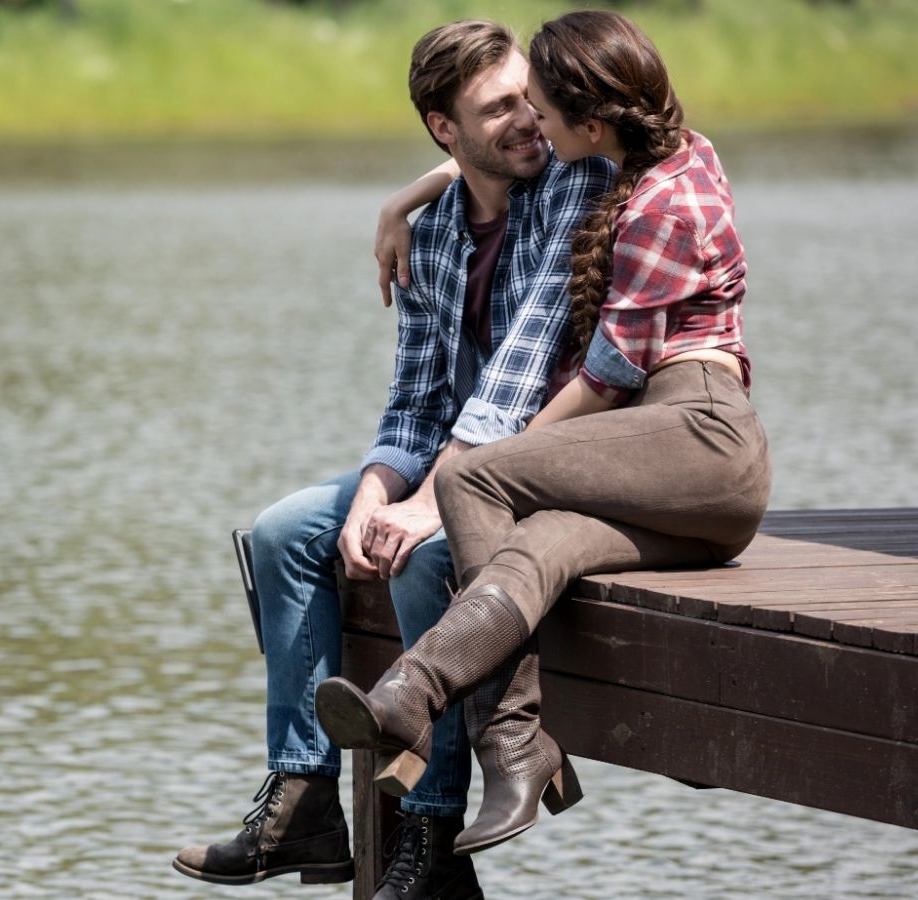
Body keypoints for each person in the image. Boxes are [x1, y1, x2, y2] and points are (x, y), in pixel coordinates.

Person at [171, 20, 614, 899]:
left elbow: (520, 374)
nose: (529, 118)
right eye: (498, 108)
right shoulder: (434, 232)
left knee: (422, 561)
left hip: (543, 463)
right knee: (285, 533)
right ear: (444, 128)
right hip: (451, 460)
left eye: (528, 97)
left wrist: (427, 503)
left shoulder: (570, 187)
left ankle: (432, 832)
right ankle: (303, 799)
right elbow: (415, 400)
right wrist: (379, 488)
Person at [315, 9, 771, 858]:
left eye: (543, 112)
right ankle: (482, 733)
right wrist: (408, 197)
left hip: (699, 436)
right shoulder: (644, 160)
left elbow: (611, 373)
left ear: (589, 124)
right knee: (535, 551)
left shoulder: (664, 202)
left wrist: (499, 457)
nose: (534, 127)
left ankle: (472, 723)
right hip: (670, 483)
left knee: (471, 477)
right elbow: (475, 158)